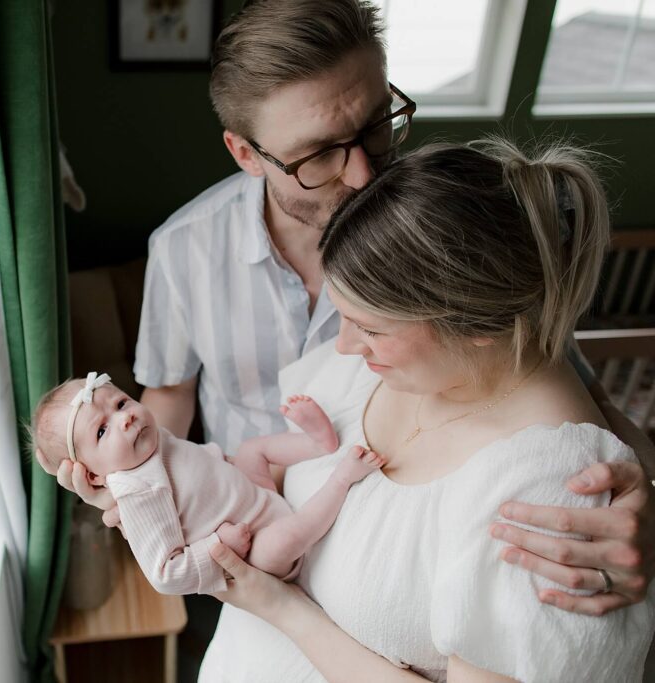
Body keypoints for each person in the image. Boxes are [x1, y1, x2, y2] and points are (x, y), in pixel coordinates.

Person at [58, 0, 655, 615]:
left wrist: (643, 488)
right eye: (319, 154)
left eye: (376, 126)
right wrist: (139, 478)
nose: (365, 175)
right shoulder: (183, 250)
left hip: (382, 558)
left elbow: (569, 384)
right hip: (240, 538)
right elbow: (171, 393)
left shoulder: (440, 220)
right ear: (245, 153)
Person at [200, 138, 655, 681]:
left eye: (370, 328)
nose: (343, 345)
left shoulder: (548, 491)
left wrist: (279, 607)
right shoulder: (385, 367)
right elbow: (281, 483)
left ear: (478, 325)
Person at [32, 372, 383, 594]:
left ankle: (318, 443)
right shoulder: (137, 493)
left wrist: (221, 461)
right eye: (101, 430)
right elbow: (165, 575)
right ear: (93, 476)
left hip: (254, 496)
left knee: (251, 449)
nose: (125, 418)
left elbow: (191, 463)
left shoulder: (145, 441)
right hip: (254, 545)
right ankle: (341, 480)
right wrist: (219, 545)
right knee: (280, 543)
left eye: (121, 402)